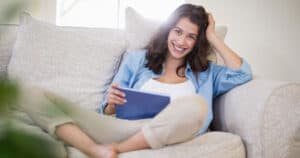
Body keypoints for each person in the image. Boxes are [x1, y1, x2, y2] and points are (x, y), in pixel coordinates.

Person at [19, 3, 252, 158]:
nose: (181, 41)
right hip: (122, 127)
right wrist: (112, 103)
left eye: (191, 36)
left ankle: (116, 150)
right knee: (31, 94)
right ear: (168, 30)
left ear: (198, 42)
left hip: (169, 132)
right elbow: (109, 109)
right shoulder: (138, 59)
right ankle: (94, 149)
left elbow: (243, 73)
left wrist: (212, 36)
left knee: (197, 106)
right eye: (178, 31)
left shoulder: (206, 72)